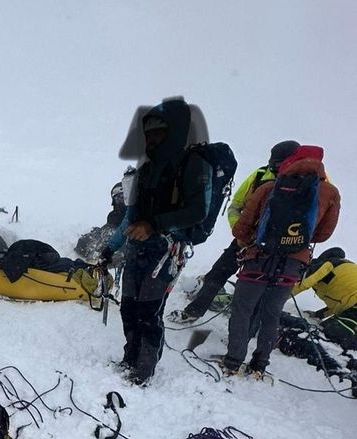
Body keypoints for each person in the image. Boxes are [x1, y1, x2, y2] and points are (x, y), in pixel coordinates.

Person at [101, 98, 213, 385]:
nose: (150, 138)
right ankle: (131, 357)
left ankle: (144, 368)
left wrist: (154, 225)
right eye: (147, 132)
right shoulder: (148, 168)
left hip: (166, 252)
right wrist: (110, 247)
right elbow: (131, 216)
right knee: (129, 308)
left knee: (149, 312)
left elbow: (197, 211)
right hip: (137, 252)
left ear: (175, 132)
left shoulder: (194, 164)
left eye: (158, 132)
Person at [222, 145, 341, 377]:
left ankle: (233, 362)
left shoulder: (271, 186)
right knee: (272, 313)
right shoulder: (330, 193)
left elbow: (242, 227)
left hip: (259, 257)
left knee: (243, 309)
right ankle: (259, 365)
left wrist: (251, 241)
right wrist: (297, 242)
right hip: (292, 264)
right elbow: (324, 234)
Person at [170, 140, 300, 323]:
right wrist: (241, 232)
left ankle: (250, 331)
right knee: (218, 273)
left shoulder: (313, 183)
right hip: (247, 240)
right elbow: (236, 206)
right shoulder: (261, 175)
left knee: (261, 288)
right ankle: (194, 311)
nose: (275, 168)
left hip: (281, 249)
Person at [291, 246, 357, 350]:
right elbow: (338, 304)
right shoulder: (345, 270)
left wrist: (278, 298)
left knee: (333, 331)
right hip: (352, 308)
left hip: (354, 307)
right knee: (333, 329)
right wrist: (318, 315)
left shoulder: (328, 264)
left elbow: (304, 283)